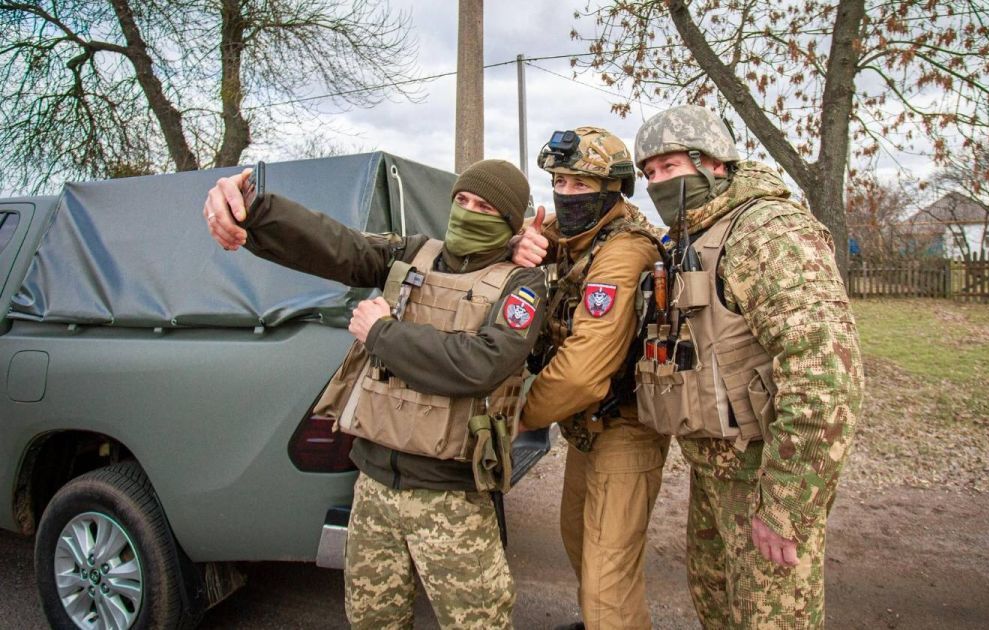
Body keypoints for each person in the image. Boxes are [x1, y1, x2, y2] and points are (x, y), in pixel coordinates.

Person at [203, 159, 547, 629]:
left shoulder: (520, 283)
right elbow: (338, 246)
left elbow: (482, 363)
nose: (467, 212)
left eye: (484, 206)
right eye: (461, 200)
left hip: (449, 498)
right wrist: (257, 210)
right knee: (372, 620)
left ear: (509, 223)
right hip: (374, 487)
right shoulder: (414, 255)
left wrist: (382, 333)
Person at [632, 104, 864, 629]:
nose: (657, 182)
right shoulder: (687, 237)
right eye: (649, 173)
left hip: (761, 476)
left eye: (669, 167)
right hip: (712, 472)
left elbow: (825, 375)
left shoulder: (766, 232)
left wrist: (785, 505)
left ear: (714, 162)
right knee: (719, 612)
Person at [515, 126, 670, 630]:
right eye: (558, 181)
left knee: (608, 581)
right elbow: (539, 235)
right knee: (580, 541)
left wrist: (517, 415)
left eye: (579, 185)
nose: (565, 193)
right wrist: (522, 242)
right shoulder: (579, 236)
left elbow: (583, 372)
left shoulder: (623, 252)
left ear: (611, 191)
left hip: (624, 428)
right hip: (588, 429)